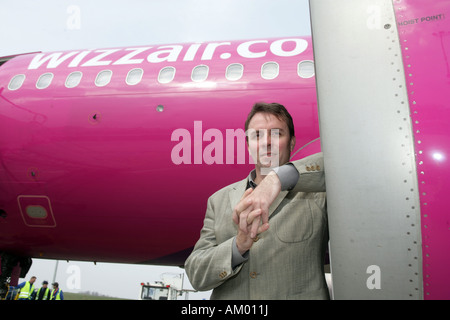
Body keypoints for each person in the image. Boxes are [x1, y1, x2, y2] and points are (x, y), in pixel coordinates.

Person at [185, 102, 328, 300]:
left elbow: (344, 162)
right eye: (257, 135)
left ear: (292, 142)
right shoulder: (218, 201)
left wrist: (278, 178)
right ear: (248, 144)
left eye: (277, 133)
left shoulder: (317, 195)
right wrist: (238, 246)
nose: (266, 142)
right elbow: (196, 274)